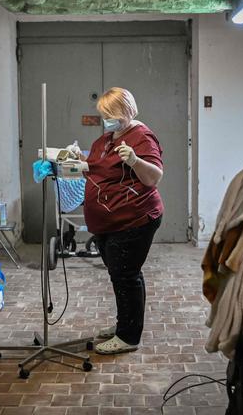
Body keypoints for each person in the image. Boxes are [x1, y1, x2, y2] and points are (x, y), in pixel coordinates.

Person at [73, 87, 164, 355]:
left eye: (111, 115)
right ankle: (125, 325)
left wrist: (135, 161)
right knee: (120, 275)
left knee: (126, 275)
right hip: (109, 221)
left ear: (127, 111)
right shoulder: (108, 138)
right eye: (104, 115)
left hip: (133, 219)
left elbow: (154, 177)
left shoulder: (141, 137)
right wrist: (80, 161)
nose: (107, 120)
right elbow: (99, 168)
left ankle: (128, 337)